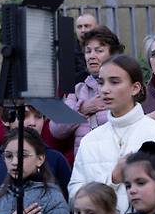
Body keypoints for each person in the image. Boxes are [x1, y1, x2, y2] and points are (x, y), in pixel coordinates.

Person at [68, 54, 155, 214]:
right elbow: (74, 197)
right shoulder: (89, 140)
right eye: (101, 82)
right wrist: (112, 179)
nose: (105, 89)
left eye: (114, 82)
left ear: (135, 88)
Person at [50, 26, 124, 159]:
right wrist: (82, 109)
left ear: (112, 54)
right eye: (88, 51)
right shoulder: (78, 89)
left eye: (99, 51)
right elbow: (57, 129)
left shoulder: (123, 86)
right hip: (84, 167)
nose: (92, 56)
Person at [2, 106, 71, 199]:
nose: (32, 123)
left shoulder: (56, 159)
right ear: (6, 119)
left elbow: (68, 206)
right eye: (24, 115)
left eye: (38, 116)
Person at [74, 13, 98, 84]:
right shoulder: (68, 51)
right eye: (79, 27)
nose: (83, 30)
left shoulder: (106, 46)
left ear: (96, 28)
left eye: (87, 26)